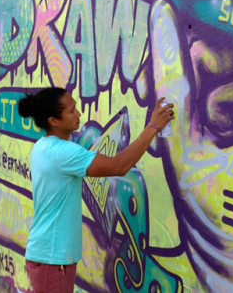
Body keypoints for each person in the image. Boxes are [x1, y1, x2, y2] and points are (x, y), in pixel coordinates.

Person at [18, 88, 174, 293]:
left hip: (48, 255)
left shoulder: (43, 146)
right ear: (53, 121)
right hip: (52, 260)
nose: (78, 114)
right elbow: (118, 166)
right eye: (72, 110)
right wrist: (152, 127)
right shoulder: (62, 153)